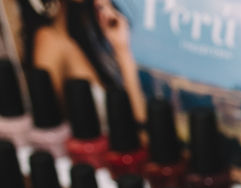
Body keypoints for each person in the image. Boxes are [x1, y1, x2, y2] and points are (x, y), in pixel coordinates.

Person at [17, 0, 145, 121]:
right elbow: (49, 127)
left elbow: (133, 120)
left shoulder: (82, 27)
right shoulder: (48, 40)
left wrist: (122, 50)